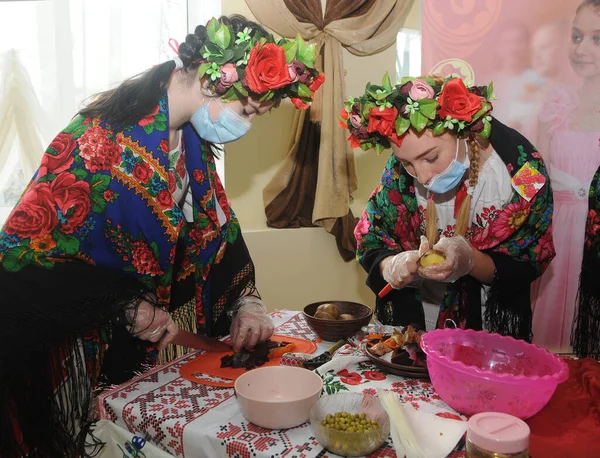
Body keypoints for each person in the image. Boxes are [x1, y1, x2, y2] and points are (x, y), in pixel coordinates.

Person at [0, 15, 324, 458]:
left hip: (154, 341)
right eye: (246, 110)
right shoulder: (96, 140)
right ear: (212, 80)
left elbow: (215, 228)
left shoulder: (189, 143)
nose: (246, 125)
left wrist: (245, 301)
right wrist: (122, 303)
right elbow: (24, 255)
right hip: (85, 346)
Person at [341, 73, 554, 339]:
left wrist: (470, 260)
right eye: (407, 163)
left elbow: (528, 259)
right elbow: (373, 237)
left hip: (487, 326)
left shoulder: (522, 173)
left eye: (430, 157)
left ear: (462, 132)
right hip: (418, 323)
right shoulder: (400, 172)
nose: (422, 176)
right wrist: (392, 264)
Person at [532, 0, 600, 358]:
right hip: (556, 234)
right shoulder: (556, 104)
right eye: (577, 36)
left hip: (595, 241)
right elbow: (533, 177)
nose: (582, 48)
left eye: (596, 39)